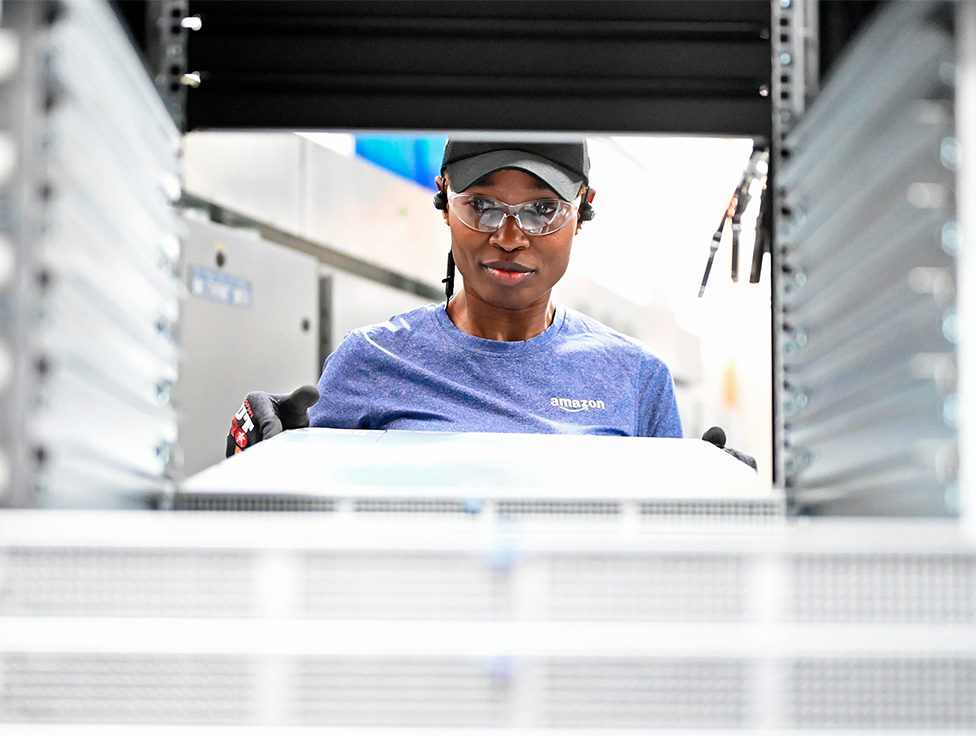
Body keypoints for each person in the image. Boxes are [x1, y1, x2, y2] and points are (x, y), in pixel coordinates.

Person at [227, 139, 683, 456]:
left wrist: (718, 502)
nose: (509, 237)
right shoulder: (370, 362)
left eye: (542, 210)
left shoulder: (637, 380)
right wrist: (261, 470)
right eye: (482, 206)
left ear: (582, 210)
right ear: (445, 201)